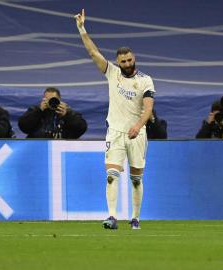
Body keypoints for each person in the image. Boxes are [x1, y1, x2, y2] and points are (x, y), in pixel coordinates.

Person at [75, 9, 155, 230]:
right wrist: (82, 29)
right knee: (111, 176)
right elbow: (93, 53)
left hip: (137, 134)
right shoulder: (112, 73)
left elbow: (148, 109)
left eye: (130, 60)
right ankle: (111, 217)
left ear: (134, 58)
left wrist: (138, 126)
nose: (127, 64)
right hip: (115, 133)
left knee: (136, 179)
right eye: (123, 61)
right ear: (118, 62)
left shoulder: (146, 81)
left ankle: (135, 218)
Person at [18, 87, 87, 139]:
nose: (51, 102)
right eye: (48, 99)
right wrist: (38, 111)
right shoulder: (36, 111)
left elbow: (81, 128)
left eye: (53, 99)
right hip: (39, 147)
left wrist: (67, 115)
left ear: (59, 99)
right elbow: (23, 126)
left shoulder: (67, 112)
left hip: (61, 148)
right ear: (43, 99)